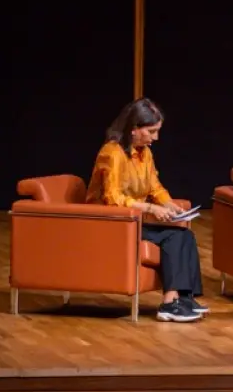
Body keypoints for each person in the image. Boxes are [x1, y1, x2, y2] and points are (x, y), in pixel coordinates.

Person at [87, 97, 206, 323]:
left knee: (185, 235)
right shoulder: (112, 153)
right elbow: (113, 198)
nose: (155, 138)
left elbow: (154, 187)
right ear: (134, 129)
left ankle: (184, 297)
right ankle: (170, 303)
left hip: (134, 219)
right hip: (111, 222)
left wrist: (169, 204)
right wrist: (150, 207)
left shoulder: (145, 153)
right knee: (173, 237)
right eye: (151, 131)